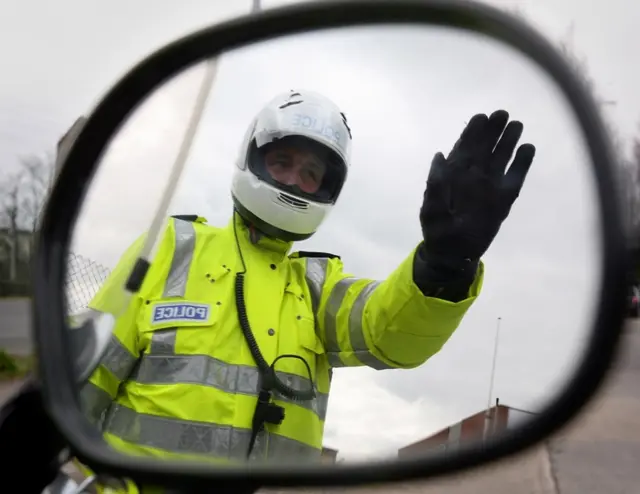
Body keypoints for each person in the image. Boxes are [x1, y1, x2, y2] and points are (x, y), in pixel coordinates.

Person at [75, 90, 535, 490]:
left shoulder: (319, 290)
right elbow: (76, 390)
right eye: (283, 162)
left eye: (312, 173)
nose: (295, 180)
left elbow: (388, 331)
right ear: (252, 157)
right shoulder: (170, 248)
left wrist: (444, 265)